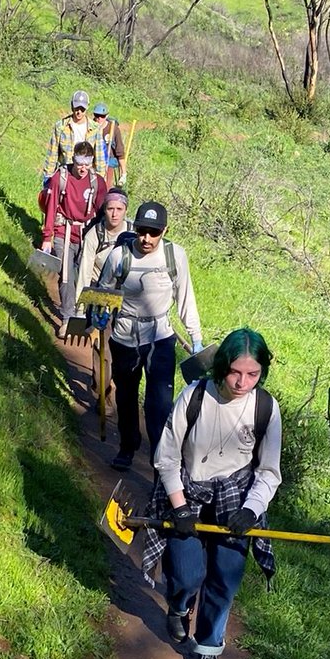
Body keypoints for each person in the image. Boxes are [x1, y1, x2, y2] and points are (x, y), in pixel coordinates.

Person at [146, 329, 282, 659]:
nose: (242, 382)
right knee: (188, 572)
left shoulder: (266, 408)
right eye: (235, 372)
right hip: (187, 492)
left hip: (236, 498)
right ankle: (179, 604)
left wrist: (251, 510)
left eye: (252, 374)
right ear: (222, 366)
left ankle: (208, 647)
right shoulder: (194, 397)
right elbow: (166, 457)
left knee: (225, 578)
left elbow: (269, 471)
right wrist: (179, 509)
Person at [97, 201, 202, 471]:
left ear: (164, 230)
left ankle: (160, 461)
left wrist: (196, 337)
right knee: (127, 397)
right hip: (124, 338)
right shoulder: (119, 256)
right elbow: (103, 291)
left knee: (160, 405)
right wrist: (99, 313)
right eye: (142, 230)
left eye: (153, 232)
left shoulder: (175, 256)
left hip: (160, 338)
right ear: (135, 227)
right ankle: (127, 447)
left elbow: (185, 298)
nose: (146, 238)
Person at [40, 141, 107, 339]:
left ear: (92, 162)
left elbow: (103, 213)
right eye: (79, 163)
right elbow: (51, 207)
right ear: (73, 160)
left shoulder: (98, 183)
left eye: (87, 164)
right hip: (64, 231)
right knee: (66, 274)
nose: (83, 168)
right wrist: (47, 237)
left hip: (87, 234)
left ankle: (86, 316)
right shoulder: (60, 178)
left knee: (87, 275)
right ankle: (68, 319)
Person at [73, 188, 134, 390]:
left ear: (126, 210)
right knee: (102, 346)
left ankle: (117, 385)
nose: (114, 214)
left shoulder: (134, 233)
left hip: (126, 295)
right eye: (110, 208)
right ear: (104, 210)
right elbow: (84, 272)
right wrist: (80, 309)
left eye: (119, 208)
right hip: (99, 292)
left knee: (123, 348)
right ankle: (102, 393)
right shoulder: (94, 235)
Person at [40, 89, 91, 185]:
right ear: (72, 106)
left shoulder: (94, 129)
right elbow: (53, 153)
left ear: (87, 107)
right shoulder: (61, 126)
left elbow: (100, 158)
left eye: (82, 109)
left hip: (86, 175)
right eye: (77, 108)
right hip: (66, 174)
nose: (79, 112)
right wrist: (48, 176)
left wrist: (100, 179)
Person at [90, 102, 127, 188]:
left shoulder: (113, 128)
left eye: (102, 116)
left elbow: (120, 151)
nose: (99, 119)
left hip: (109, 161)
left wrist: (124, 173)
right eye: (97, 115)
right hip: (93, 161)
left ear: (106, 116)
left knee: (105, 186)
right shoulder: (91, 127)